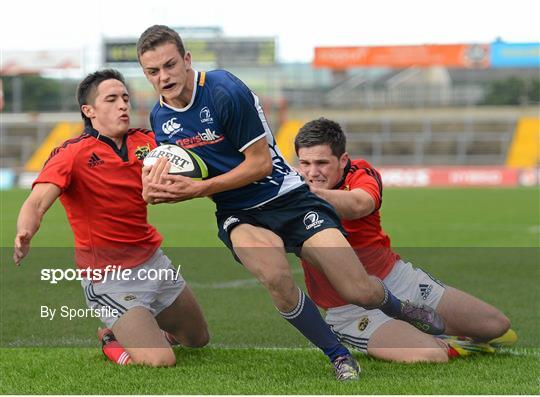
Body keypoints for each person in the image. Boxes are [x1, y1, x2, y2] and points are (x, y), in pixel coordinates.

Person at [136, 24, 444, 381]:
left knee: (357, 289)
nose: (164, 76)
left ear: (187, 60)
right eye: (153, 71)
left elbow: (260, 164)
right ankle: (339, 356)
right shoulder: (160, 117)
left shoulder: (223, 90)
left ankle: (400, 307)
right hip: (239, 214)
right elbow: (180, 174)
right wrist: (156, 190)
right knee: (275, 277)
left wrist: (198, 190)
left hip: (286, 196)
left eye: (170, 65)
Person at [13, 69, 209, 367]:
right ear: (88, 110)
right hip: (110, 279)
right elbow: (37, 202)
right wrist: (25, 231)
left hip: (153, 264)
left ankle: (140, 328)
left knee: (197, 340)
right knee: (161, 361)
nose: (122, 105)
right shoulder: (72, 153)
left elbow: (189, 155)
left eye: (125, 98)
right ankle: (111, 338)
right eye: (112, 99)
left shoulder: (146, 141)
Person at [294, 117, 516, 363]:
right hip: (350, 308)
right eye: (305, 163)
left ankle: (417, 326)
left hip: (399, 281)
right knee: (431, 354)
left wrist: (310, 195)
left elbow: (359, 204)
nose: (312, 172)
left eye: (321, 163)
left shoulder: (360, 173)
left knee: (497, 327)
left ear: (343, 160)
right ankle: (438, 340)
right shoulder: (289, 191)